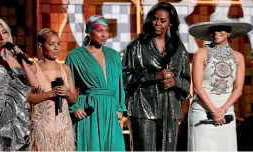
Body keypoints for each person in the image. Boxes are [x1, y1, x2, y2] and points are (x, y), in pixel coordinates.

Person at [0, 18, 60, 151]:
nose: (2, 38)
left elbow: (35, 84)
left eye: (4, 33)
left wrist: (21, 58)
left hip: (8, 118)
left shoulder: (12, 59)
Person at [122, 2, 191, 151]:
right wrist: (155, 76)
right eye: (154, 18)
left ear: (171, 23)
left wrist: (175, 82)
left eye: (162, 20)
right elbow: (126, 78)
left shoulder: (179, 48)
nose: (157, 23)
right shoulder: (136, 45)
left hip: (170, 110)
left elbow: (186, 82)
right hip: (142, 109)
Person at [187, 12, 252, 151]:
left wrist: (222, 110)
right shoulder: (201, 53)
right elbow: (197, 87)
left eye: (221, 28)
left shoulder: (238, 57)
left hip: (227, 113)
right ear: (209, 33)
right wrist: (214, 111)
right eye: (213, 29)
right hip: (202, 112)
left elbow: (238, 90)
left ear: (229, 32)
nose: (217, 32)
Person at [65, 15, 127, 151]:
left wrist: (119, 109)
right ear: (89, 31)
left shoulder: (114, 55)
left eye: (106, 30)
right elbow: (68, 86)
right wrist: (74, 108)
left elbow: (118, 84)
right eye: (100, 30)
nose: (104, 35)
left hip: (110, 109)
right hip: (89, 108)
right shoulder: (75, 56)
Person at [28, 28, 78, 151]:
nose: (56, 48)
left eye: (58, 44)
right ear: (41, 46)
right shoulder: (33, 69)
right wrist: (50, 93)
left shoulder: (65, 69)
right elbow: (27, 96)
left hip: (63, 129)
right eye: (51, 44)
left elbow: (74, 98)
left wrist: (66, 94)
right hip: (43, 129)